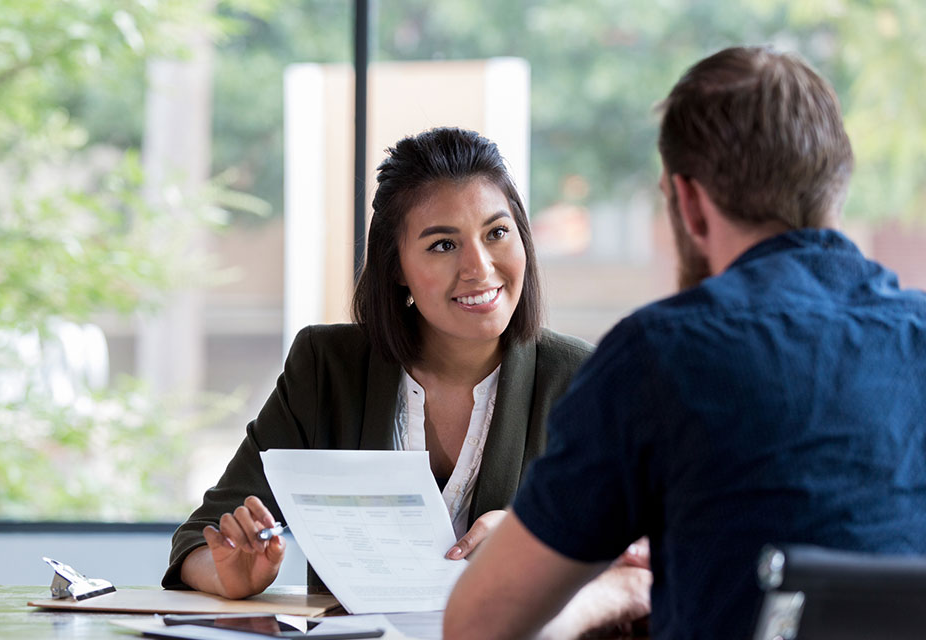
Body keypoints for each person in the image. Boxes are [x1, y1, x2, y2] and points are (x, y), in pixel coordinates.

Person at [445, 46, 926, 640]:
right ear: (838, 183)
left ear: (690, 203)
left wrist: (617, 589)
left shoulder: (661, 356)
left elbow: (477, 626)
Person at [162, 127, 603, 603]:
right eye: (443, 245)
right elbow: (201, 538)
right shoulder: (327, 369)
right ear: (396, 267)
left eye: (497, 233)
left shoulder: (580, 379)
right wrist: (229, 574)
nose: (479, 267)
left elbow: (643, 552)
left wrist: (536, 544)